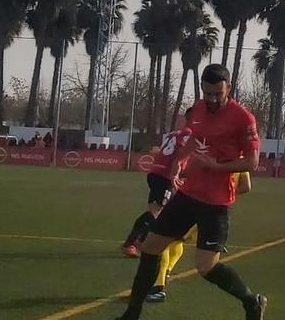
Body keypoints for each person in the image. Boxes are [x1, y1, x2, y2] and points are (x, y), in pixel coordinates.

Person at [114, 64, 266, 320]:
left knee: (206, 267)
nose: (212, 99)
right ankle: (132, 313)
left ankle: (252, 302)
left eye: (218, 93)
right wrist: (179, 163)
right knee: (150, 247)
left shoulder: (243, 118)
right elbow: (194, 138)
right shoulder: (197, 108)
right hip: (188, 195)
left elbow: (252, 162)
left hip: (216, 203)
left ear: (228, 88)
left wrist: (217, 167)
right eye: (208, 93)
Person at [147, 171, 252, 303]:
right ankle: (166, 272)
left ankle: (158, 288)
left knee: (164, 245)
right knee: (175, 243)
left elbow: (193, 175)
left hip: (197, 207)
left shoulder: (211, 156)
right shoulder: (240, 161)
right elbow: (246, 186)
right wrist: (227, 194)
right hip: (217, 209)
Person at [121, 109, 193, 257]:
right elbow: (181, 154)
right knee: (155, 211)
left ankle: (142, 241)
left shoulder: (175, 133)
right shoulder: (189, 135)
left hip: (156, 172)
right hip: (165, 176)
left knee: (158, 210)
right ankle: (131, 243)